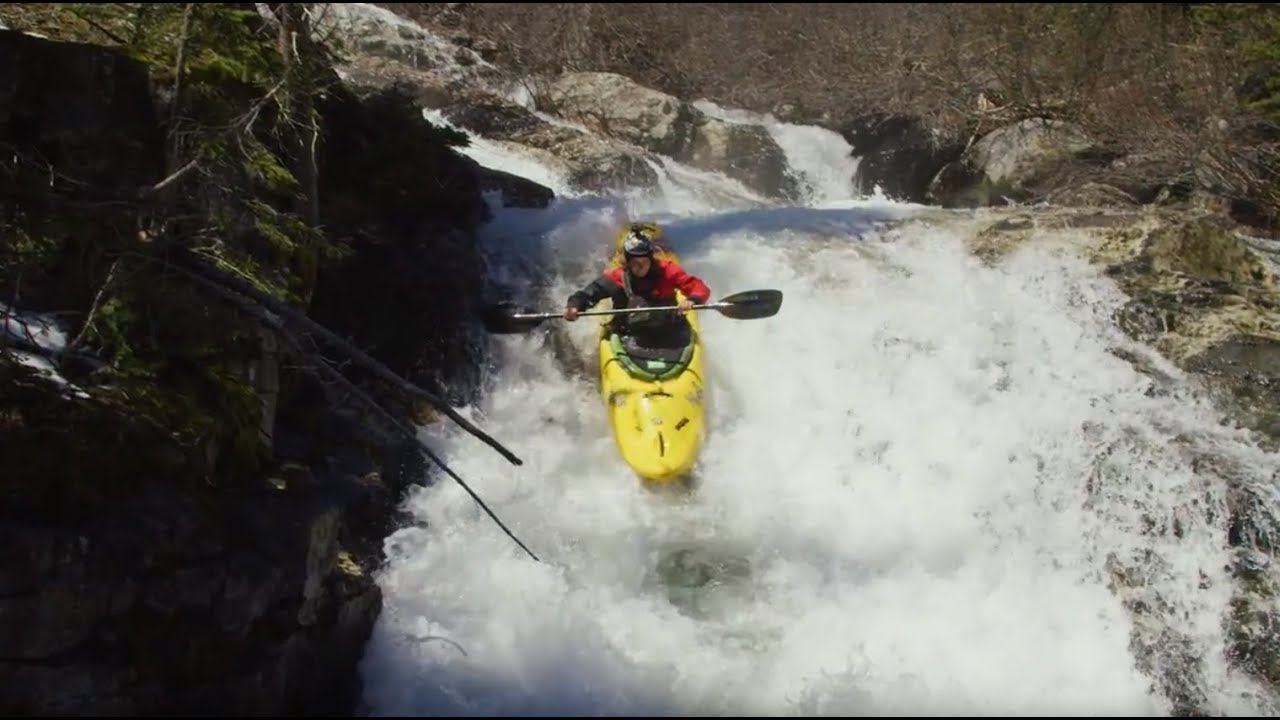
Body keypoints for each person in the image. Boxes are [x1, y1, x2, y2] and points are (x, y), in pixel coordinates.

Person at [563, 222, 711, 348]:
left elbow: (699, 288)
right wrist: (575, 306)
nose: (640, 268)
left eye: (644, 262)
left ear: (651, 260)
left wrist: (693, 300)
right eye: (634, 263)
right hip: (628, 334)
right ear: (627, 262)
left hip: (669, 330)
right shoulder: (617, 276)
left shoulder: (668, 271)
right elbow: (588, 294)